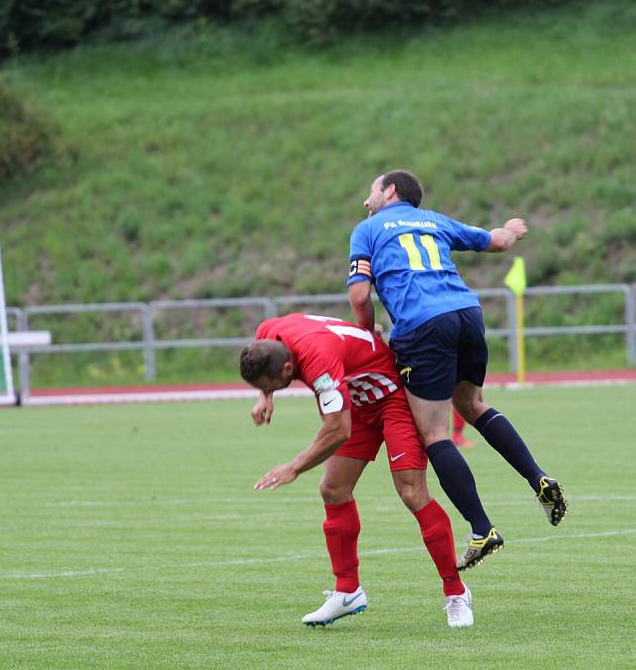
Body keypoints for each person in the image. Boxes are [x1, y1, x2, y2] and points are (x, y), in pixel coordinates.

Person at [347, 169, 567, 569]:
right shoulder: (434, 220)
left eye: (371, 192)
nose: (366, 202)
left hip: (422, 327)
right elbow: (498, 241)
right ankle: (538, 478)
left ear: (390, 191)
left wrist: (368, 334)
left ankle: (482, 530)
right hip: (467, 314)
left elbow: (360, 295)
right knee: (473, 405)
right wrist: (513, 230)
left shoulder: (368, 230)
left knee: (434, 434)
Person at [240, 312, 473, 628]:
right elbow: (273, 367)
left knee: (412, 492)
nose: (277, 389)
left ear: (287, 368)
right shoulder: (267, 334)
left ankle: (456, 593)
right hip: (359, 400)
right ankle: (347, 591)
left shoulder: (317, 360)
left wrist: (293, 467)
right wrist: (265, 394)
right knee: (333, 488)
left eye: (276, 385)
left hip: (393, 398)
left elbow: (338, 429)